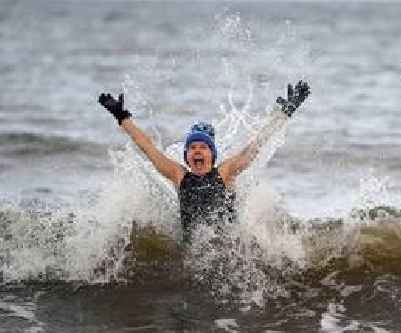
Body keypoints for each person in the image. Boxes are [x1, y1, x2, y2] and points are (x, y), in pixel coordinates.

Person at [97, 81, 310, 241]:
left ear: (212, 155)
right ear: (187, 156)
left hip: (228, 247)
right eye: (192, 148)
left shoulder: (225, 172)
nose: (197, 150)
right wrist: (122, 117)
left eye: (203, 147)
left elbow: (255, 148)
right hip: (194, 250)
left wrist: (285, 113)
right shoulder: (178, 175)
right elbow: (147, 147)